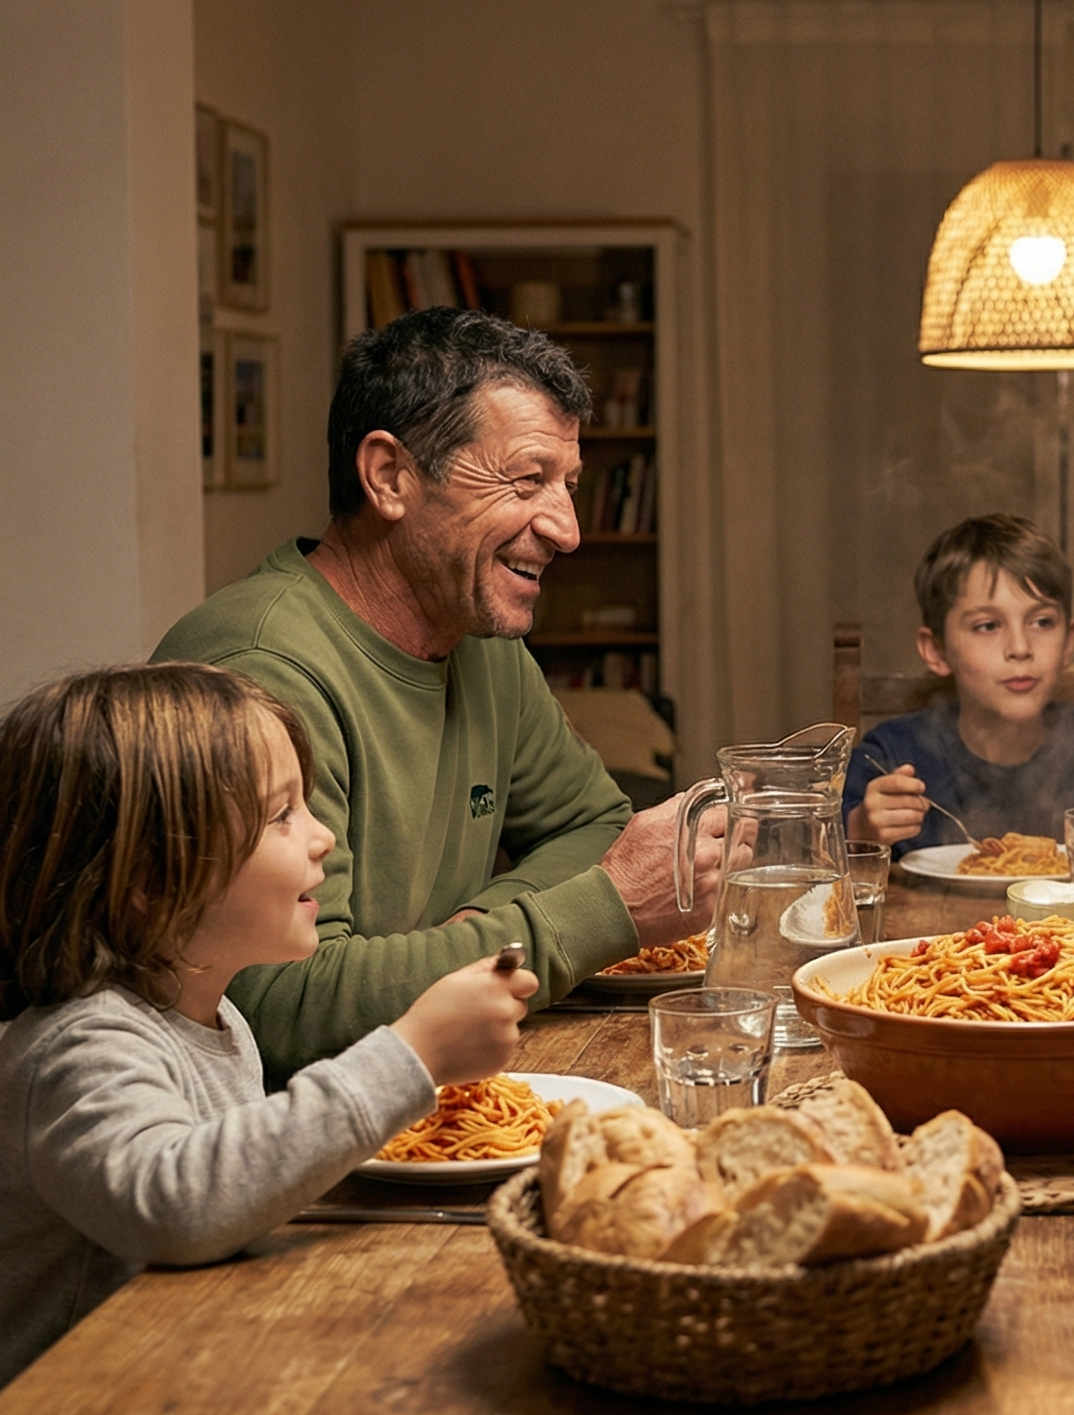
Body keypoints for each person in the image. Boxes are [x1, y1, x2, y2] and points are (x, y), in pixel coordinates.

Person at [0, 663, 535, 1415]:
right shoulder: (80, 1047)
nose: (322, 836)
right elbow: (179, 1206)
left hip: (185, 1377)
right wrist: (411, 1052)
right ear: (148, 880)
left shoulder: (214, 1015)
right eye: (281, 815)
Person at [154, 306, 717, 1083]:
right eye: (528, 481)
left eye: (569, 485)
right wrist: (601, 909)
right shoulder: (259, 671)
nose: (567, 529)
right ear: (390, 477)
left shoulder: (476, 636)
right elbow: (278, 1012)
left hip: (424, 1091)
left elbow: (592, 824)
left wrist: (485, 928)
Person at [844, 513, 1074, 854]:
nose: (1020, 648)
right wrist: (862, 831)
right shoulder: (891, 754)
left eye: (1042, 622)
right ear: (936, 650)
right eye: (987, 626)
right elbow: (826, 855)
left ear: (1068, 642)